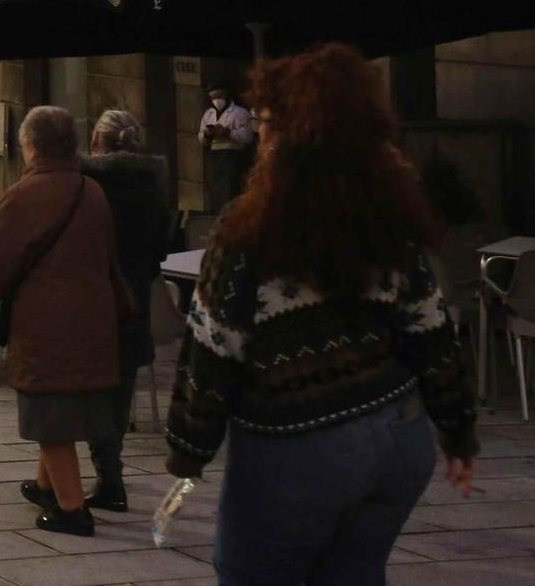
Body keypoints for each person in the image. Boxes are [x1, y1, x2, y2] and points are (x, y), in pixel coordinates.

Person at [168, 43, 478, 585]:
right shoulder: (392, 213)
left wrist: (189, 450)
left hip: (297, 441)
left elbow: (214, 347)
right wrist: (457, 430)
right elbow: (431, 330)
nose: (260, 135)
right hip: (396, 438)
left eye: (266, 122)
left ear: (291, 135)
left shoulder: (248, 227)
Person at [0, 105, 124, 538]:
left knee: (50, 413)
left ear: (30, 146)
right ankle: (46, 485)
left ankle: (71, 509)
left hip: (47, 324)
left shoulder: (25, 195)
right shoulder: (92, 191)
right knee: (66, 402)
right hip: (95, 319)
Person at [80, 108, 169, 513]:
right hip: (135, 297)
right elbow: (160, 248)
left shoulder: (88, 182)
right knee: (120, 388)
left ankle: (103, 474)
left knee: (89, 389)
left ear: (98, 140)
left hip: (93, 294)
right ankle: (109, 476)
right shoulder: (154, 184)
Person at [200, 84, 255, 212]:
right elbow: (201, 137)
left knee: (230, 191)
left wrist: (228, 133)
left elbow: (247, 137)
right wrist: (208, 134)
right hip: (214, 157)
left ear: (226, 96)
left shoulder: (240, 113)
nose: (216, 100)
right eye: (213, 97)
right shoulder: (209, 114)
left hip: (232, 157)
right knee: (214, 191)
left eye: (219, 96)